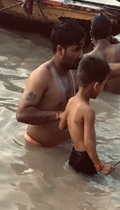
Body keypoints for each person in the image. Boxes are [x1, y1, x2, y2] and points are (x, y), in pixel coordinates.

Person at [16, 19, 86, 147]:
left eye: (82, 49)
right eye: (76, 50)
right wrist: (58, 115)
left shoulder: (73, 70)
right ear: (60, 50)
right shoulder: (42, 75)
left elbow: (100, 70)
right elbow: (22, 114)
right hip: (38, 150)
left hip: (63, 147)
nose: (81, 55)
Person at [59, 55, 115, 176]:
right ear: (96, 86)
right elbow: (89, 143)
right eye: (103, 84)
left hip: (73, 156)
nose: (102, 88)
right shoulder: (88, 111)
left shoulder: (71, 102)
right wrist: (100, 165)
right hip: (85, 159)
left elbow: (62, 126)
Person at [88, 13, 120, 95]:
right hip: (117, 100)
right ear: (110, 32)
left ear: (91, 34)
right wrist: (116, 41)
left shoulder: (87, 58)